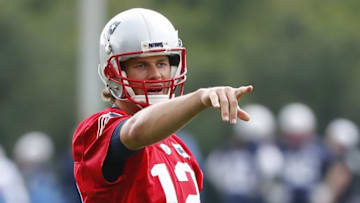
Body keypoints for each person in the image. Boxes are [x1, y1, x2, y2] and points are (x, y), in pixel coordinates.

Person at [72, 8, 253, 203]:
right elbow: (136, 131)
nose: (156, 75)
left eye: (161, 63)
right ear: (115, 73)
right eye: (141, 65)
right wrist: (200, 98)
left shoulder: (179, 147)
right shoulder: (98, 128)